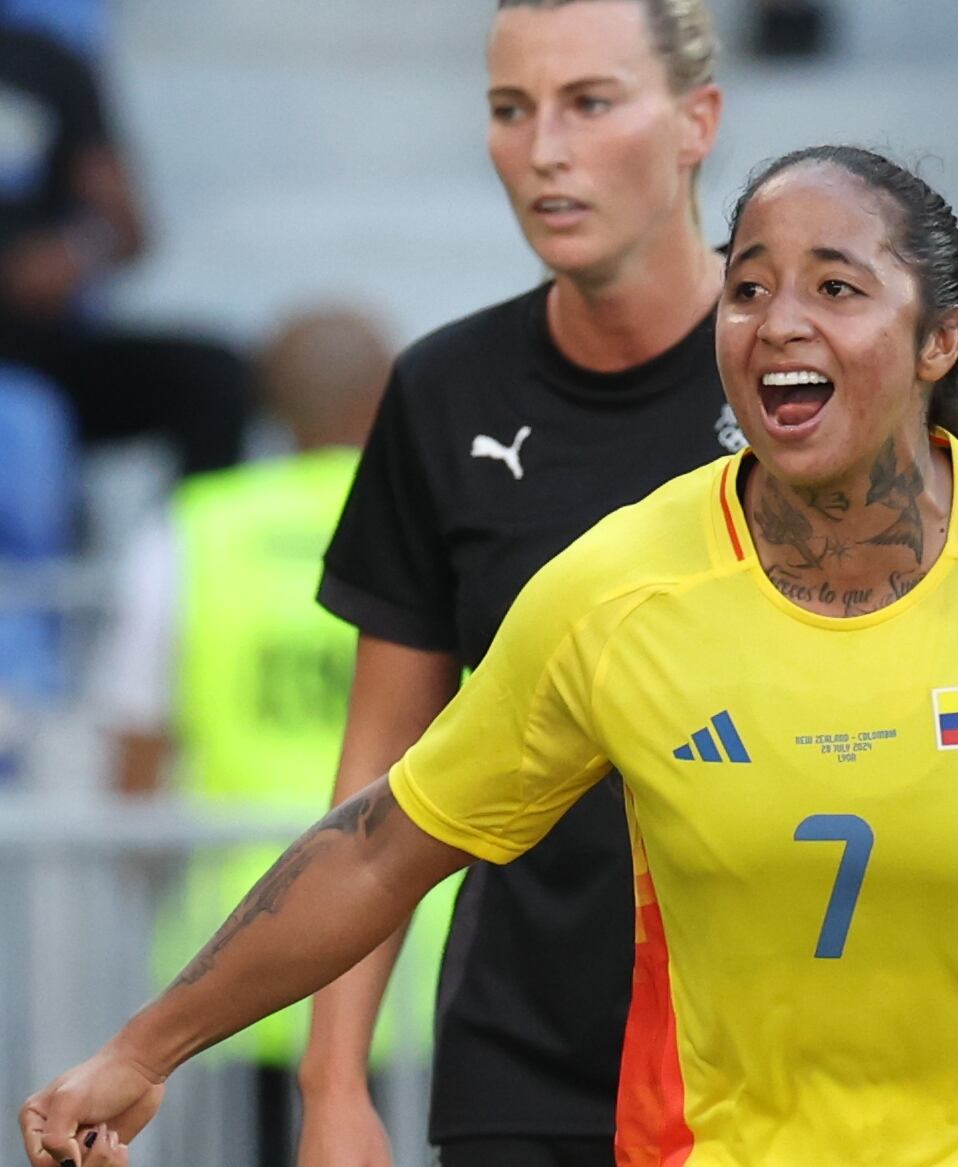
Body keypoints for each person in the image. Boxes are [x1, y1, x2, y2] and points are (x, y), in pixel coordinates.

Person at [20, 146, 958, 1167]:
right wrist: (145, 1049)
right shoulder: (617, 589)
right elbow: (379, 847)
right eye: (747, 283)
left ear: (942, 342)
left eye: (836, 286)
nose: (776, 320)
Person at [295, 3, 737, 1166]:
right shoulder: (444, 392)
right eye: (510, 110)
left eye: (589, 103)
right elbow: (379, 775)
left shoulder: (813, 368)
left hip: (773, 1073)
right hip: (520, 1070)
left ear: (696, 121)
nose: (545, 149)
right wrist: (332, 1081)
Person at [90, 309, 455, 1167]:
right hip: (421, 953)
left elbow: (134, 757)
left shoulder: (194, 530)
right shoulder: (443, 525)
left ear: (269, 408)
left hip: (238, 968)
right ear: (388, 395)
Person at [0, 22, 249, 477]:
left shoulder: (45, 63)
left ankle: (179, 540)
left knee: (214, 376)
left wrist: (75, 253)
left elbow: (129, 228)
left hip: (37, 345)